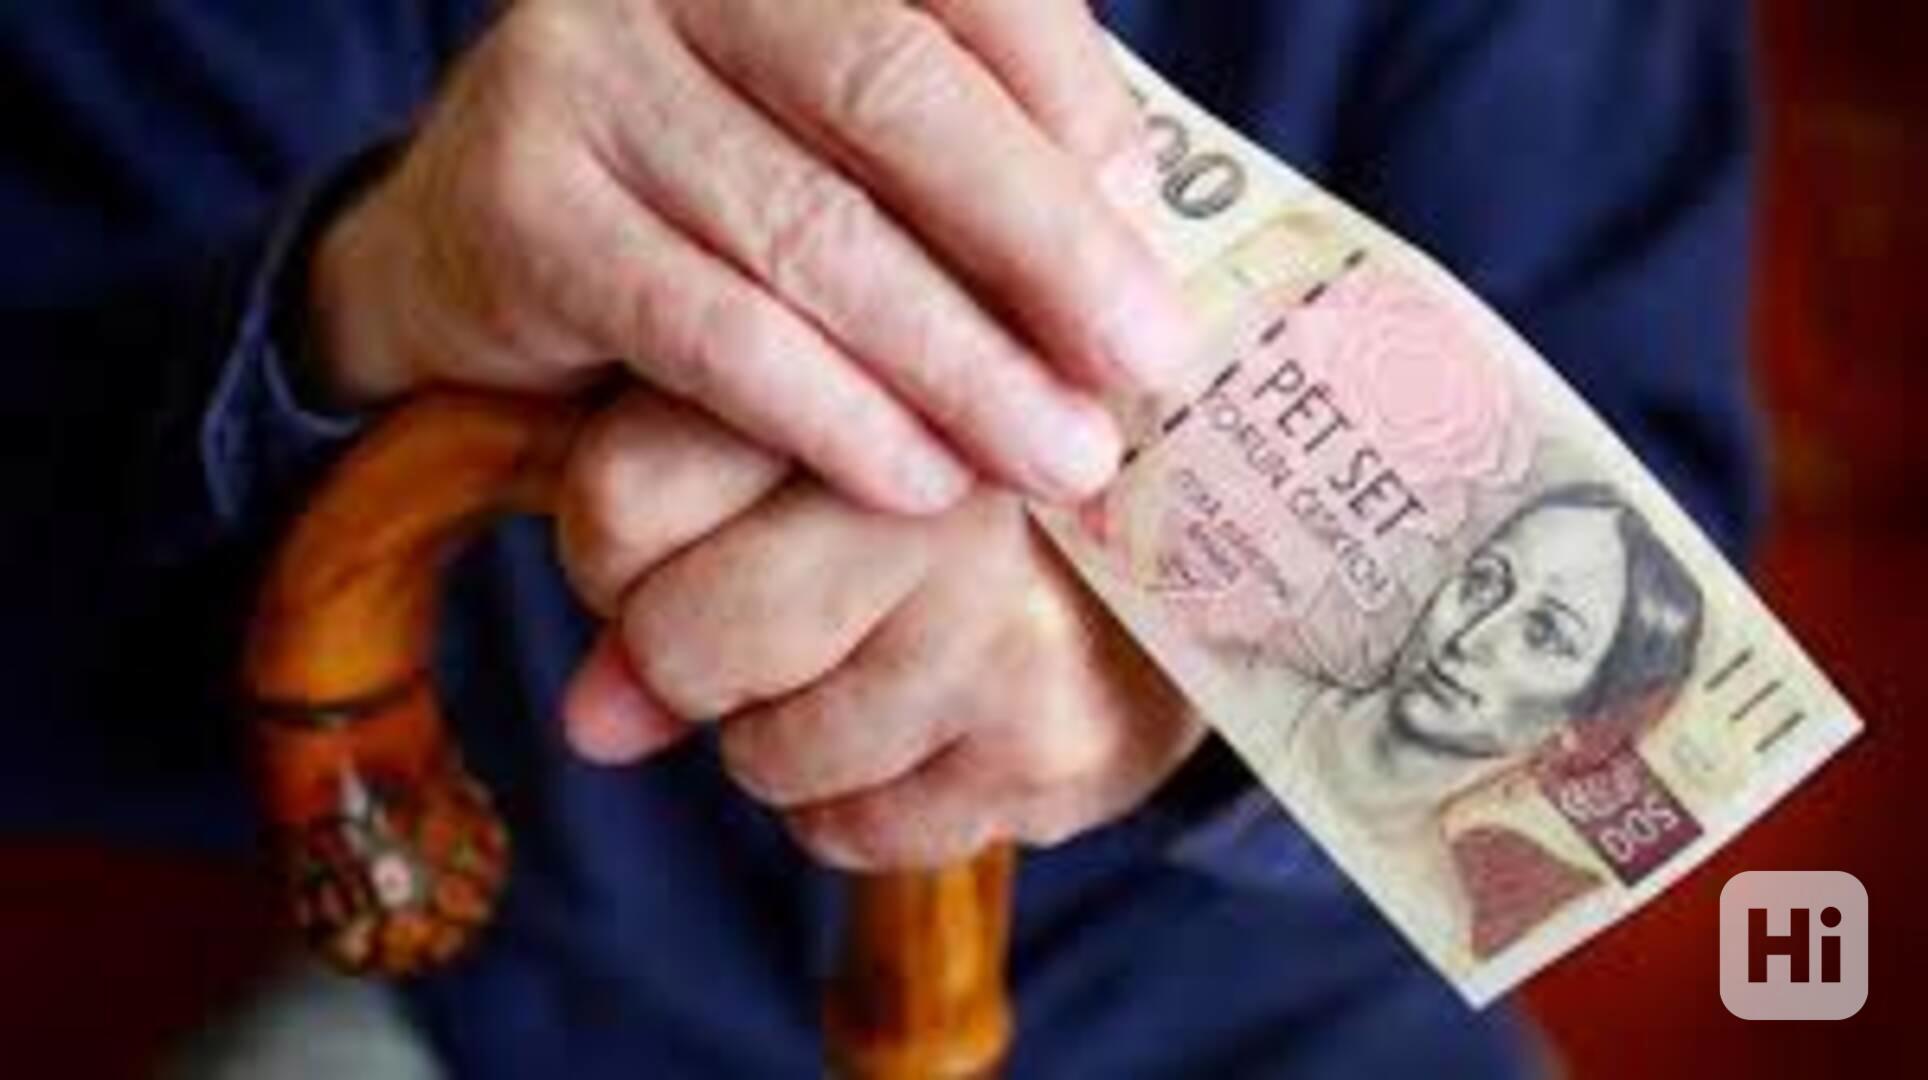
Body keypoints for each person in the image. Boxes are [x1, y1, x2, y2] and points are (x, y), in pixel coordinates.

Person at [0, 1, 1760, 1075]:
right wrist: (365, 288)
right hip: (496, 1003)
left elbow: (1652, 662)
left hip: (1280, 1012)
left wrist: (1198, 649)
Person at [1283, 483, 1705, 960]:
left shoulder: (1428, 922)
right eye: (1485, 582)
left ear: (1585, 717)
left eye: (1545, 633)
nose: (1473, 636)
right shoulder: (1250, 683)